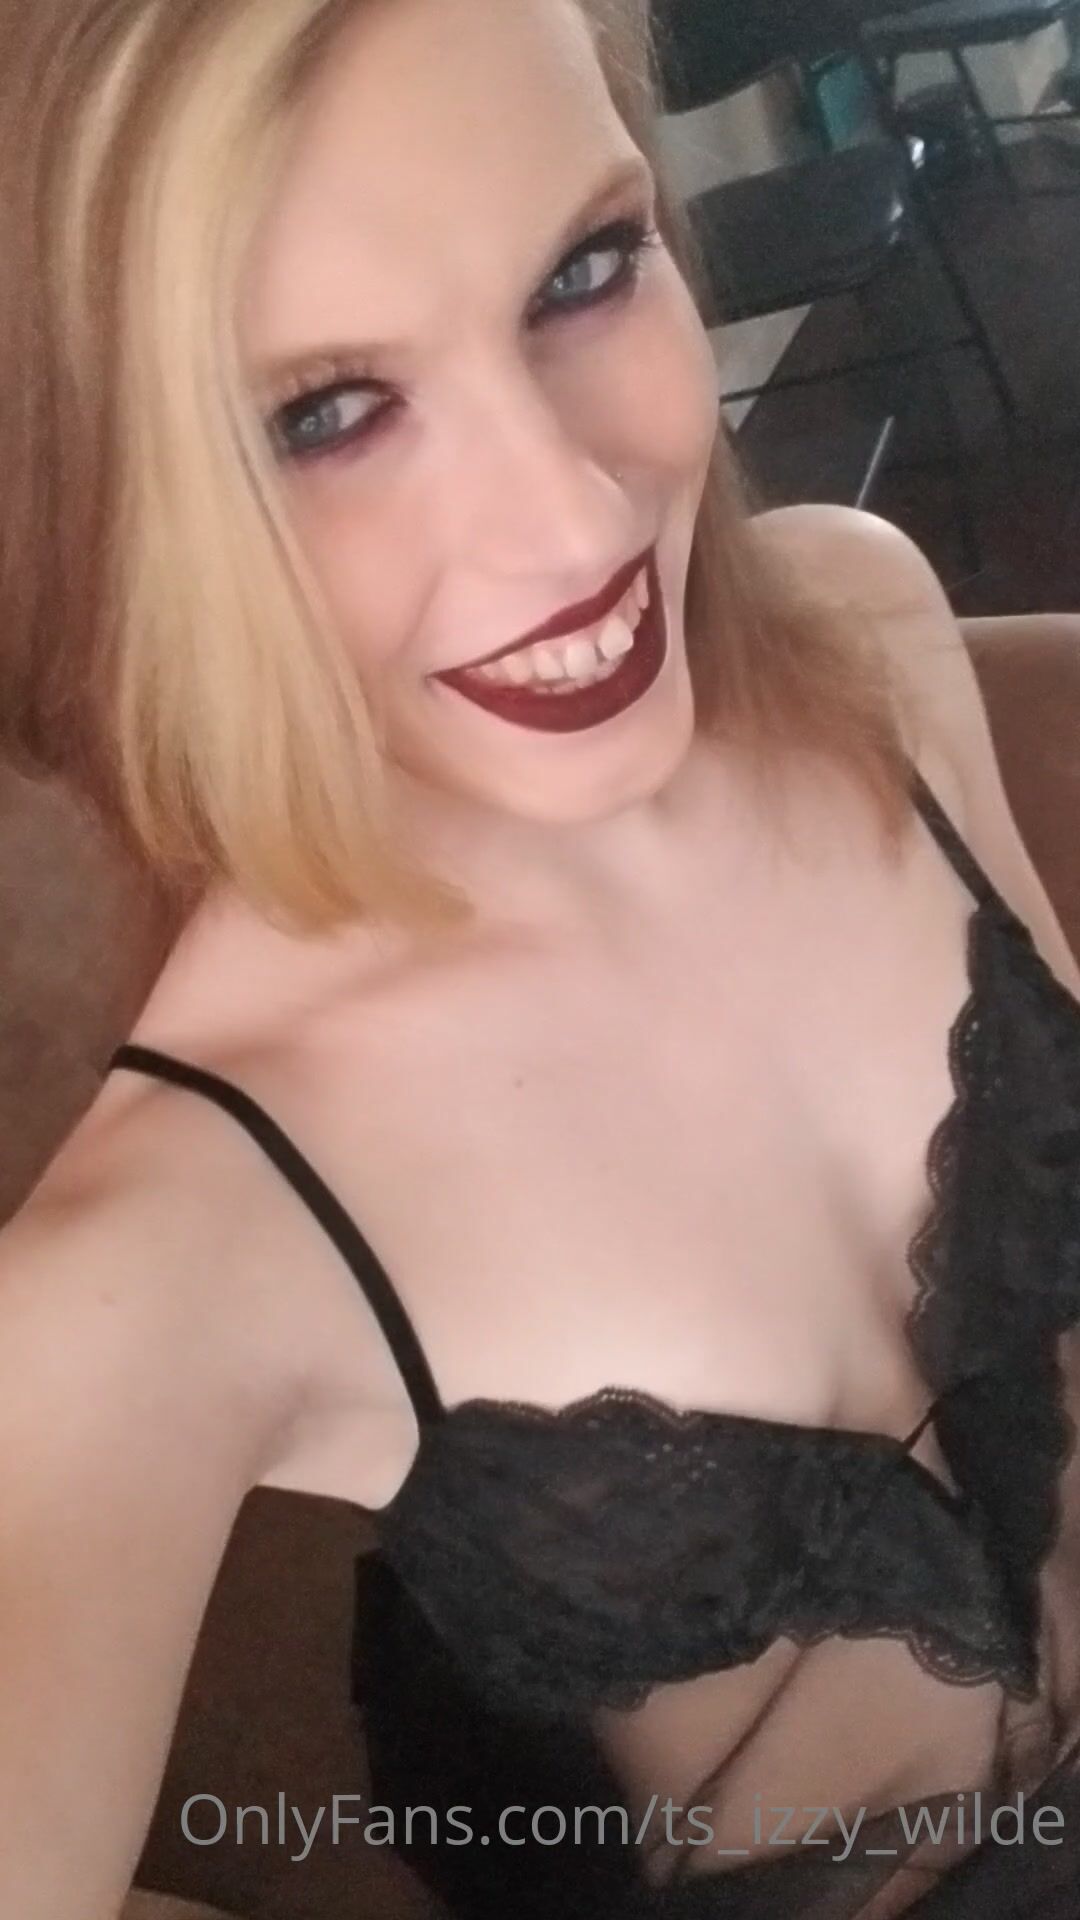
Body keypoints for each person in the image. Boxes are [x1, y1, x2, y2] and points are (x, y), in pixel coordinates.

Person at [1, 0, 1079, 1916]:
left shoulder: (869, 638)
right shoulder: (175, 1234)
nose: (574, 514)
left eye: (583, 270)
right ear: (115, 509)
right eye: (323, 413)